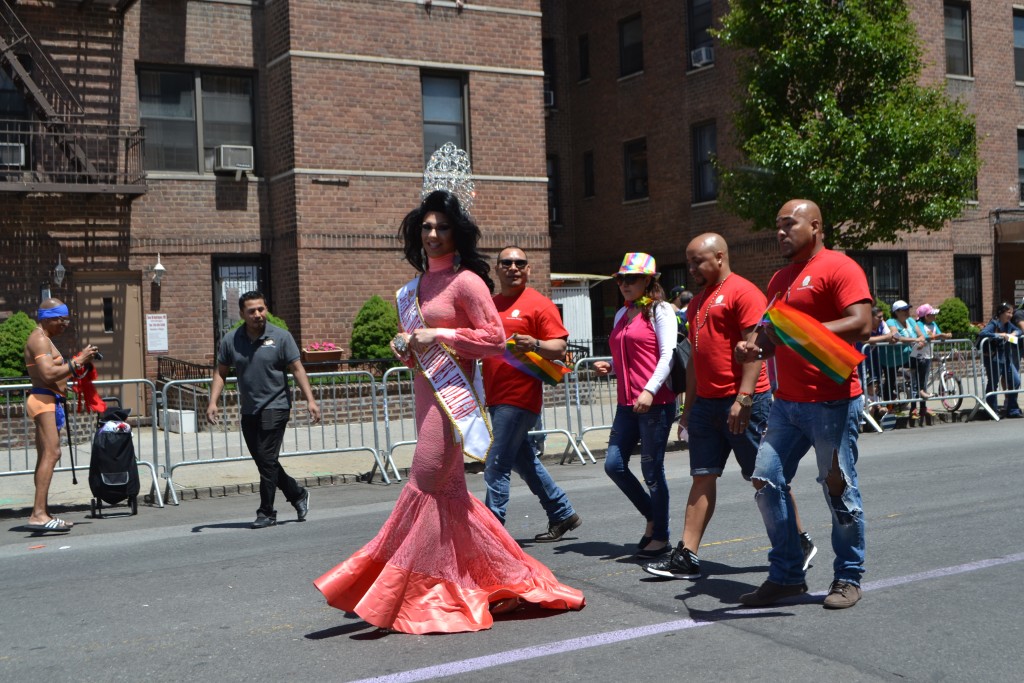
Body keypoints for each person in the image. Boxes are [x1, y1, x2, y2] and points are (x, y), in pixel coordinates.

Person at [314, 188, 584, 634]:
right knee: (452, 499)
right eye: (427, 227)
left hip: (452, 401)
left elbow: (495, 340)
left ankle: (395, 584)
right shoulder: (415, 287)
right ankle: (502, 579)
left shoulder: (467, 282)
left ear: (457, 233)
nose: (433, 234)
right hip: (425, 395)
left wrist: (437, 333)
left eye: (441, 227)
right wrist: (407, 347)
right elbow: (421, 348)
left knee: (422, 482)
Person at [642, 234, 816, 580]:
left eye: (697, 262)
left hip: (743, 402)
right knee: (702, 476)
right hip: (706, 405)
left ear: (720, 257)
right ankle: (687, 554)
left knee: (764, 478)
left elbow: (754, 350)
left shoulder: (743, 292)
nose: (691, 269)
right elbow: (692, 362)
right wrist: (687, 409)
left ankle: (799, 541)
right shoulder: (696, 303)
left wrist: (744, 397)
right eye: (688, 263)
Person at [735, 199, 872, 610]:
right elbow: (770, 339)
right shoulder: (779, 279)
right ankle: (787, 575)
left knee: (838, 491)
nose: (780, 232)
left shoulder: (839, 267)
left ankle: (848, 577)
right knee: (765, 480)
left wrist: (801, 331)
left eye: (788, 225)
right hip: (786, 405)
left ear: (815, 226)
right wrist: (752, 347)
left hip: (833, 402)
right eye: (777, 226)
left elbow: (862, 323)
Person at [481, 245, 581, 541]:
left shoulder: (539, 303)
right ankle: (562, 513)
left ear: (528, 269)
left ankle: (491, 534)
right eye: (507, 262)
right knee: (523, 460)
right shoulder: (489, 304)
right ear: (497, 269)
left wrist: (535, 343)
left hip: (520, 398)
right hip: (494, 396)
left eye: (520, 263)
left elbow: (561, 348)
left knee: (496, 464)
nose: (513, 267)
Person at [206, 291, 320, 529]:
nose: (258, 314)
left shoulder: (281, 337)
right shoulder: (231, 340)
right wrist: (213, 402)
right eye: (252, 311)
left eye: (261, 309)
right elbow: (221, 371)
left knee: (267, 460)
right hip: (249, 410)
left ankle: (266, 512)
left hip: (276, 405)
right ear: (242, 314)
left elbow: (297, 369)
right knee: (265, 461)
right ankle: (297, 494)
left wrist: (310, 400)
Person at [594, 252, 677, 559]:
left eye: (631, 279)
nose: (624, 284)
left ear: (647, 280)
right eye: (620, 279)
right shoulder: (622, 314)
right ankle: (652, 518)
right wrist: (610, 367)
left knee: (652, 470)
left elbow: (667, 356)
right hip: (626, 404)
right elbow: (627, 359)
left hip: (655, 402)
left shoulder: (660, 310)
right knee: (613, 465)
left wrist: (650, 390)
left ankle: (662, 537)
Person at [23, 298, 100, 532]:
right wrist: (77, 361)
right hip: (44, 399)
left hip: (49, 400)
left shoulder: (45, 339)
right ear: (48, 318)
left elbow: (58, 371)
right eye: (61, 319)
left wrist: (80, 366)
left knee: (45, 456)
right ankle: (38, 515)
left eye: (66, 319)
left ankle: (42, 511)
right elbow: (47, 374)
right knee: (52, 453)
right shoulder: (38, 339)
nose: (65, 324)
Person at [977, 302, 1022, 418]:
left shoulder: (1008, 324)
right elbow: (983, 333)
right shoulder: (994, 323)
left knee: (1015, 381)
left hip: (1006, 358)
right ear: (1001, 313)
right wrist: (1000, 335)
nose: (1010, 315)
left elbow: (1019, 330)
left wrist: (1013, 333)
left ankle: (1012, 409)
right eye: (1008, 312)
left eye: (1011, 313)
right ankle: (991, 410)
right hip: (994, 357)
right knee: (993, 383)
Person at [884, 300, 925, 416]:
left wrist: (921, 341)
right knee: (890, 381)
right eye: (904, 310)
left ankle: (919, 397)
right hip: (892, 357)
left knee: (921, 363)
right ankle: (888, 408)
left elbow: (920, 334)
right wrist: (915, 340)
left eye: (908, 309)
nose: (907, 311)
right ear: (896, 312)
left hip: (907, 355)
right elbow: (897, 336)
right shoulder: (891, 321)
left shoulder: (911, 321)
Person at [912, 303, 951, 418]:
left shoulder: (933, 324)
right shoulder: (918, 324)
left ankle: (923, 408)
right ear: (925, 316)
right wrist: (940, 336)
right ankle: (914, 408)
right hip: (917, 356)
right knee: (916, 383)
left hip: (928, 356)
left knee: (923, 383)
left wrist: (945, 336)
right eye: (932, 314)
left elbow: (938, 334)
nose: (934, 317)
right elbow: (924, 337)